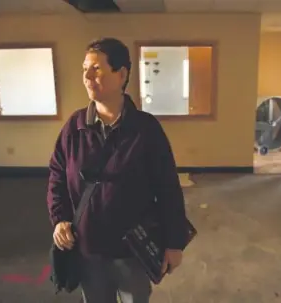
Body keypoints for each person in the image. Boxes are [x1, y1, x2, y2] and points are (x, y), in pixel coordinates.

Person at [46, 37, 189, 303]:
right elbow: (57, 175)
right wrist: (60, 218)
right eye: (84, 69)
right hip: (88, 248)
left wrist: (174, 242)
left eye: (96, 69)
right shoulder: (74, 127)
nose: (87, 76)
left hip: (131, 250)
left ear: (121, 74)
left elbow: (168, 187)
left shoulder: (146, 130)